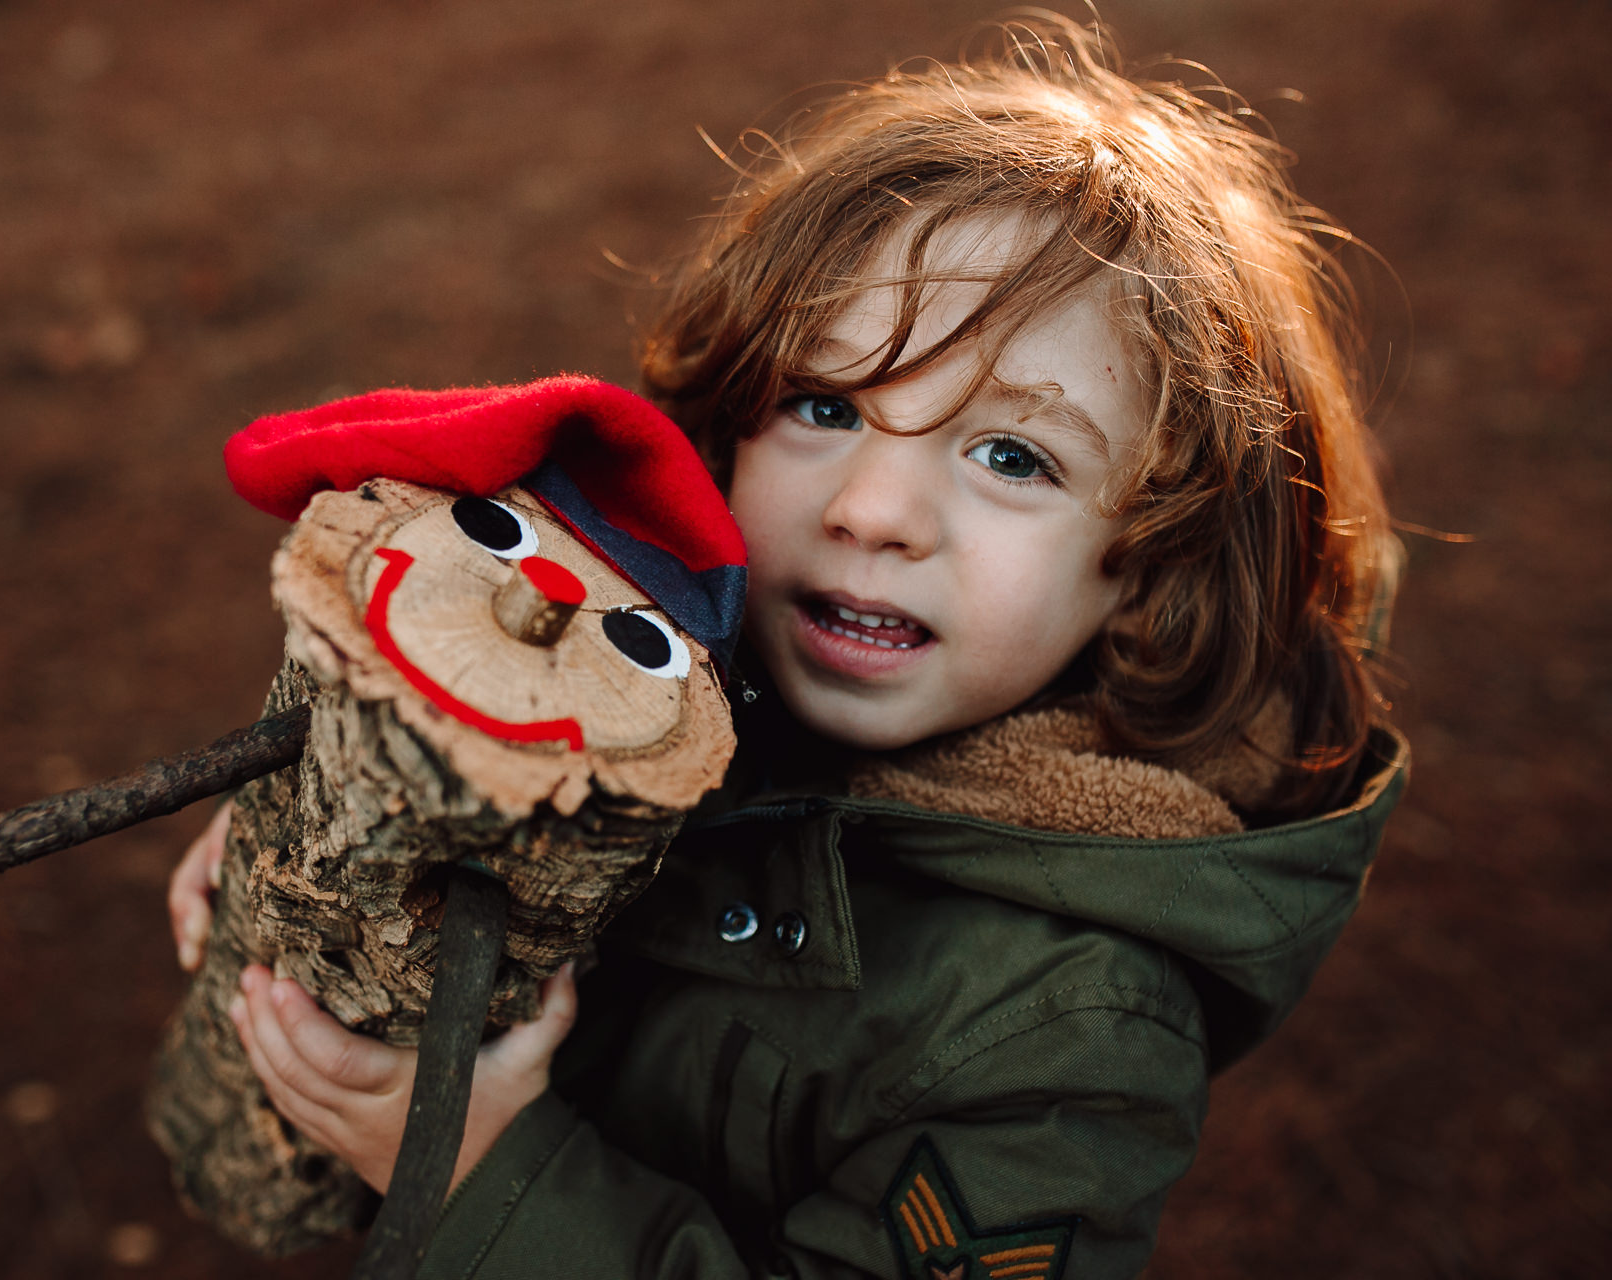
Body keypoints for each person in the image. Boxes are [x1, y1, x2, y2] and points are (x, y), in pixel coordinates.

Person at [167, 17, 1408, 1278]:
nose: (870, 509)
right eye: (825, 404)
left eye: (1012, 456)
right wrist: (344, 836)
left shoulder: (1071, 1029)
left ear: (1149, 573)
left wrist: (482, 1166)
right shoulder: (653, 671)